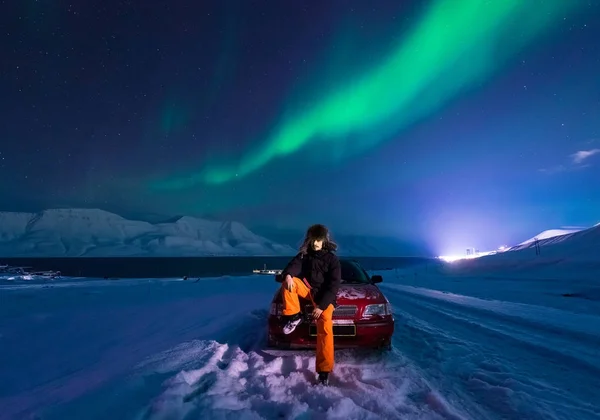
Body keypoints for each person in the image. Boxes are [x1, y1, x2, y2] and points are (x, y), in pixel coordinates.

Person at [279, 223, 341, 386]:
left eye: (318, 240)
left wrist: (321, 307)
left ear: (324, 240)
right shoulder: (304, 255)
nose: (315, 243)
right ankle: (294, 317)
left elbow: (333, 286)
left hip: (325, 297)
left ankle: (324, 370)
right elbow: (292, 267)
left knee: (325, 327)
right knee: (288, 283)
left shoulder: (332, 259)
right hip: (308, 291)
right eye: (313, 239)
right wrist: (289, 276)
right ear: (309, 239)